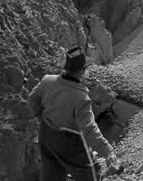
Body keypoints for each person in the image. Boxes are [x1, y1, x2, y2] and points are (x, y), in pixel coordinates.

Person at [28, 46, 118, 181]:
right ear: (82, 71)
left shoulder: (47, 80)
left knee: (50, 174)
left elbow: (32, 99)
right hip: (68, 142)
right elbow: (88, 129)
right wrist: (107, 151)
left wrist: (41, 116)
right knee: (91, 173)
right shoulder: (81, 98)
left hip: (46, 134)